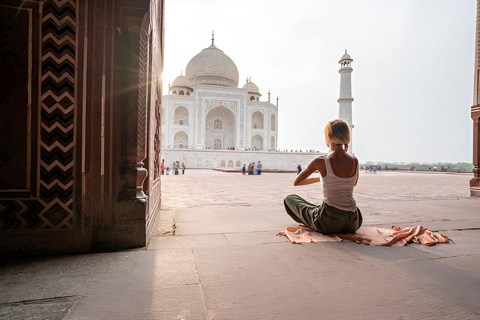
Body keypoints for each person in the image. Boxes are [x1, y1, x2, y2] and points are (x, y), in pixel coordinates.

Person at [283, 119, 362, 234]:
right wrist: (327, 179)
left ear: (328, 138)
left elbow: (297, 182)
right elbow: (353, 183)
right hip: (353, 221)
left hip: (328, 221)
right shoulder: (354, 161)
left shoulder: (321, 161)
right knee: (317, 207)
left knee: (290, 199)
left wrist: (321, 178)